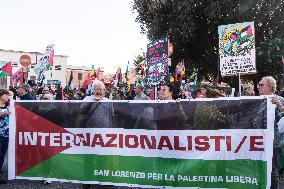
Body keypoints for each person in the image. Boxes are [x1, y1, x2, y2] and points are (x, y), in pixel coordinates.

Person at [257, 76, 284, 189]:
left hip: (273, 141)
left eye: (261, 85)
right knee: (259, 168)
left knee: (272, 170)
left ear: (270, 87)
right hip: (258, 141)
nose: (258, 87)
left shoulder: (278, 99)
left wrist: (278, 104)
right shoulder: (257, 100)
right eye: (258, 84)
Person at [0, 90, 10, 184]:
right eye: (6, 95)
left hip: (6, 135)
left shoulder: (8, 106)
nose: (8, 97)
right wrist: (4, 113)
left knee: (2, 154)